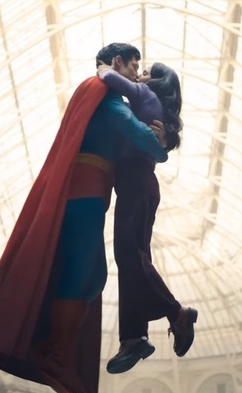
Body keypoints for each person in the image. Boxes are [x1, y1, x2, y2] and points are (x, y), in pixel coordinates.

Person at [0, 43, 168, 393]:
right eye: (134, 66)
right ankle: (56, 351)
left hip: (87, 193)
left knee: (93, 275)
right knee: (83, 272)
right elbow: (143, 141)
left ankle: (57, 347)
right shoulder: (105, 95)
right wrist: (159, 143)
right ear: (116, 62)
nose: (138, 74)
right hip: (86, 195)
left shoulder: (97, 95)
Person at [96, 61, 198, 374]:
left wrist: (103, 68)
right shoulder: (147, 104)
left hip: (136, 182)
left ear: (157, 82)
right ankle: (132, 338)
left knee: (128, 254)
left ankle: (175, 312)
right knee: (133, 260)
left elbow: (112, 80)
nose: (139, 74)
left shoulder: (143, 94)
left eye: (146, 71)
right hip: (138, 183)